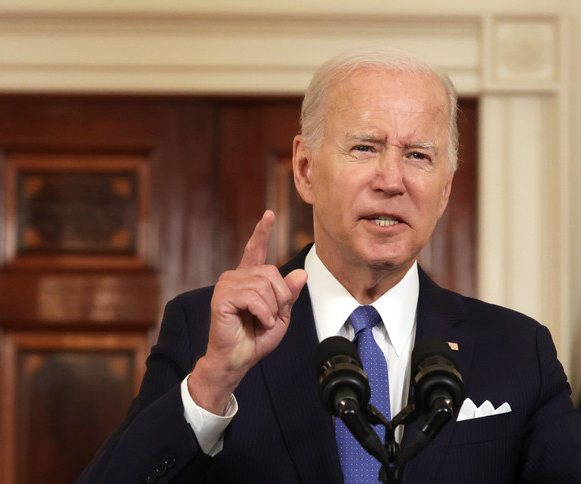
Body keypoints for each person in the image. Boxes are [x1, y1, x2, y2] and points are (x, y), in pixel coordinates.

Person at [75, 47, 581, 483]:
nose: (392, 180)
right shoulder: (200, 331)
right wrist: (211, 384)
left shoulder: (518, 350)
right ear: (305, 169)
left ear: (446, 187)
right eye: (365, 147)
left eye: (419, 156)